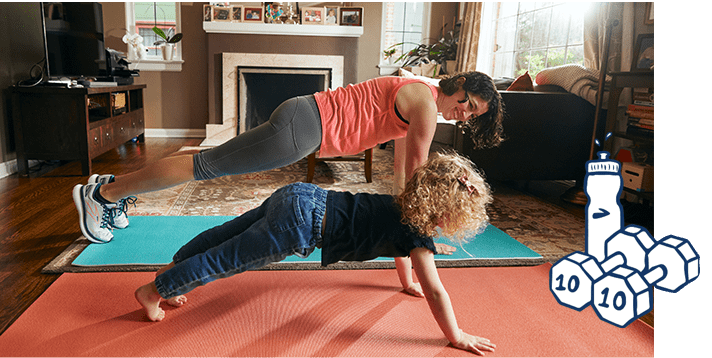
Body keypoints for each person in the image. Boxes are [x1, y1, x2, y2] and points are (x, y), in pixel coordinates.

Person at [73, 72, 504, 243]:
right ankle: (104, 196)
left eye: (471, 116)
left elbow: (403, 172)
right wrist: (424, 230)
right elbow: (418, 174)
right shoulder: (428, 105)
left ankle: (106, 192)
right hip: (305, 126)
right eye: (467, 104)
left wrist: (411, 221)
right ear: (459, 83)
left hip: (303, 119)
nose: (462, 116)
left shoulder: (425, 92)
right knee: (205, 165)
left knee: (208, 162)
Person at [134, 152, 496, 355]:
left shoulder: (402, 206)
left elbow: (397, 252)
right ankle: (155, 291)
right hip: (302, 225)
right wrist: (456, 334)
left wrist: (406, 284)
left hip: (302, 194)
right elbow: (437, 291)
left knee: (226, 235)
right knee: (228, 259)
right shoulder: (418, 234)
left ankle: (175, 268)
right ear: (448, 210)